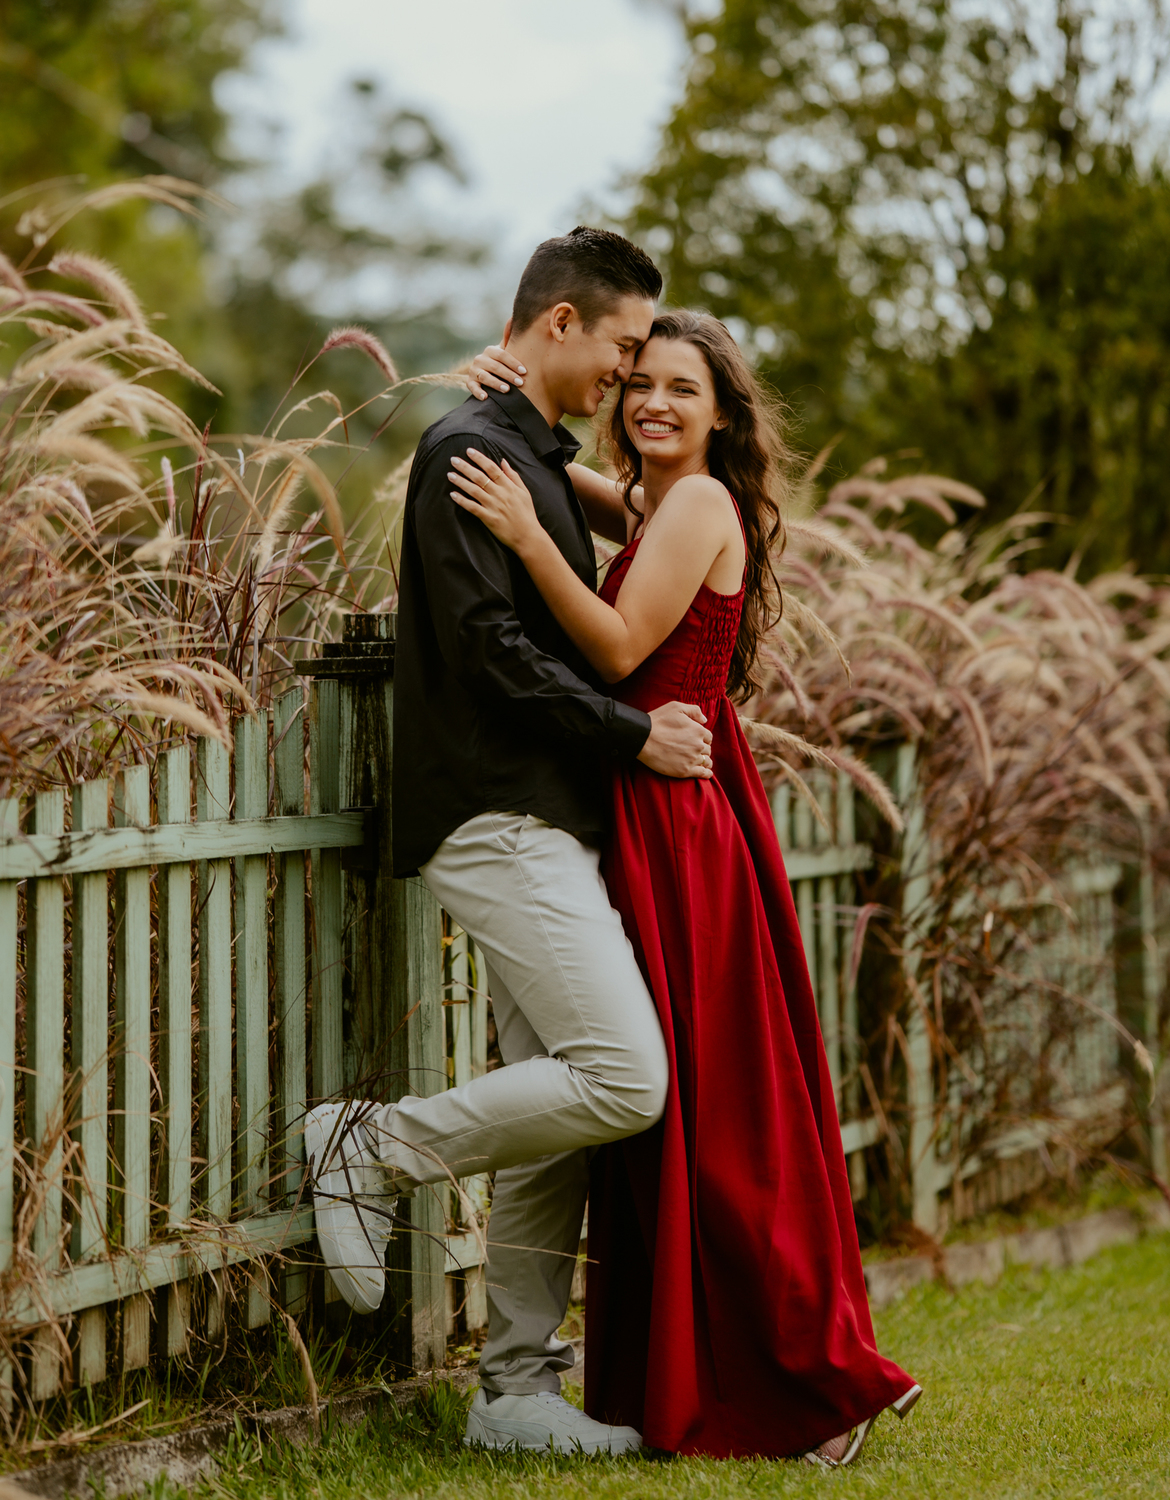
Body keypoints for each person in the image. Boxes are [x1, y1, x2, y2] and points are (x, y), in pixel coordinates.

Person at [455, 308, 921, 1465]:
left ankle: (811, 1379)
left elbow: (616, 649)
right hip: (659, 809)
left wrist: (523, 534)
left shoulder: (701, 502)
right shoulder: (668, 501)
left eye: (681, 390)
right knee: (682, 1110)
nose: (653, 402)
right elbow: (600, 495)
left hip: (673, 822)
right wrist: (520, 418)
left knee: (708, 1115)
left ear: (722, 415)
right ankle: (721, 1364)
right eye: (639, 384)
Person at [303, 228, 718, 1458]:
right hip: (497, 814)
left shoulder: (521, 450)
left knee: (567, 1111)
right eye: (625, 349)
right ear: (560, 326)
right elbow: (491, 648)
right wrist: (629, 733)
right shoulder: (464, 457)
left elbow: (636, 505)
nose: (632, 380)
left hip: (556, 817)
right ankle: (366, 1143)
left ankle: (515, 1394)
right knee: (625, 1081)